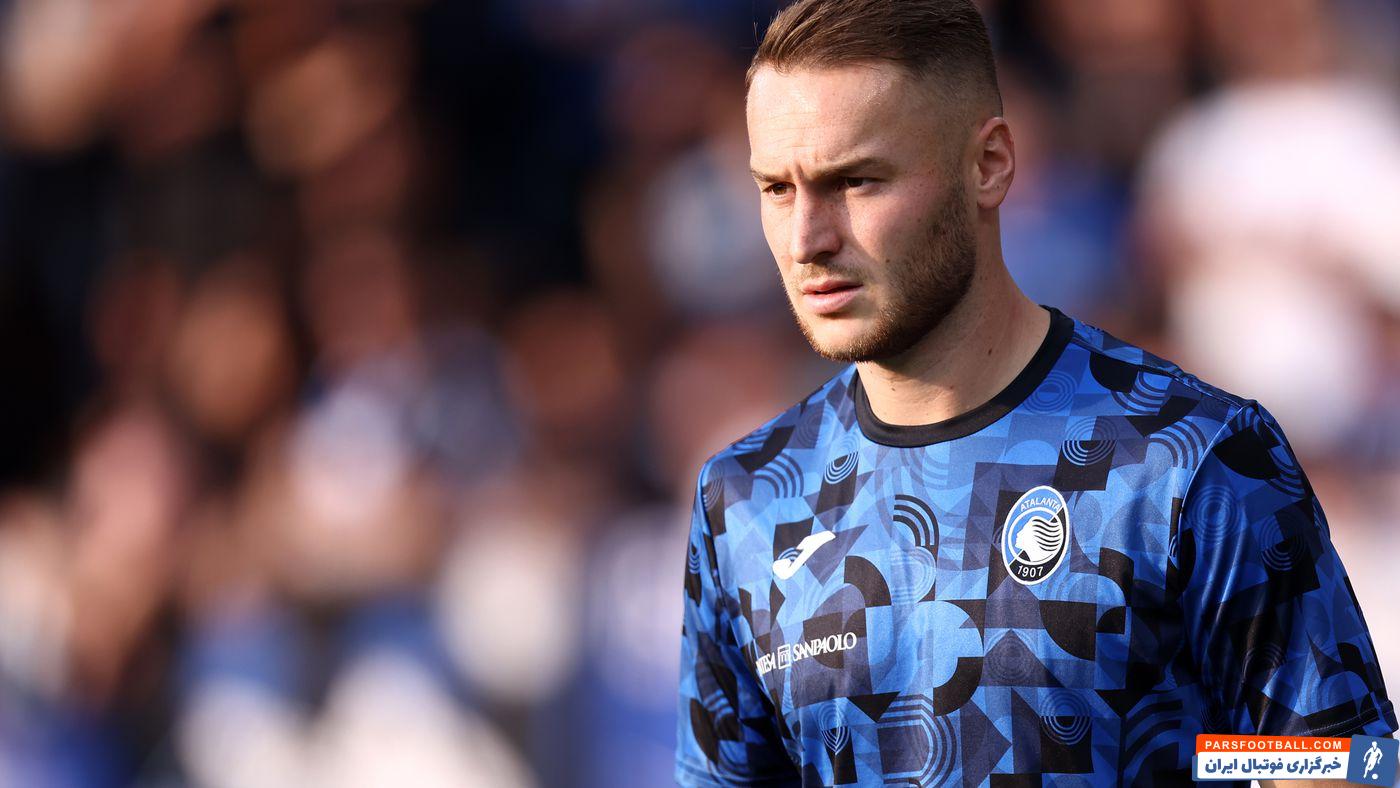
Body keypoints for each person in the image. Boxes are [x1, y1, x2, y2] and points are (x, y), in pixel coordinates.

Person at [673, 1, 1397, 786]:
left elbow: (1351, 768)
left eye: (857, 181)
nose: (807, 238)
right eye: (777, 189)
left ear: (989, 165)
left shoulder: (1192, 459)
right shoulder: (745, 502)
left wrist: (1179, 765)